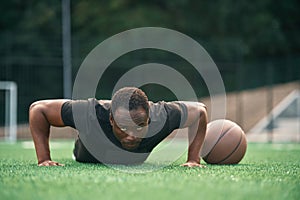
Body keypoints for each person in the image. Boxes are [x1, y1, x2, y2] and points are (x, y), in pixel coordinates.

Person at [29, 87, 207, 167]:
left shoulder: (161, 117)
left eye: (139, 127)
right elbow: (38, 109)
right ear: (111, 119)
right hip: (87, 156)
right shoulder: (90, 114)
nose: (131, 136)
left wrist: (193, 159)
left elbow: (200, 112)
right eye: (124, 127)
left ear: (149, 120)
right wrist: (44, 159)